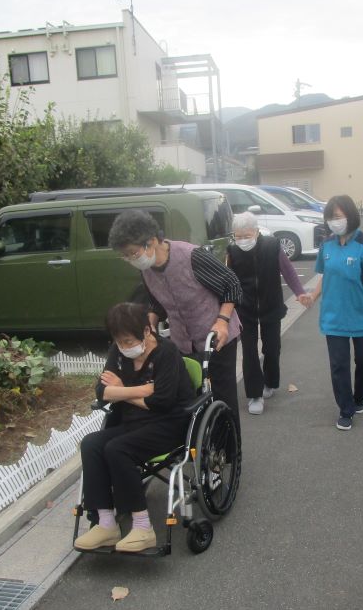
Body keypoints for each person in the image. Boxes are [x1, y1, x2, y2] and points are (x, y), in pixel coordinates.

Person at [108, 210, 242, 435]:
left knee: (221, 393)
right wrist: (149, 323)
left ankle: (229, 448)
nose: (131, 260)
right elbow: (157, 302)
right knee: (190, 395)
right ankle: (200, 446)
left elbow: (232, 285)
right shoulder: (147, 269)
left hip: (216, 336)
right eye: (126, 256)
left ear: (151, 242)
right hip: (182, 341)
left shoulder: (191, 256)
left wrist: (222, 321)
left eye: (133, 253)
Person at [75, 302, 196, 553]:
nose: (125, 347)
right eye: (120, 342)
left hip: (170, 425)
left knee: (117, 449)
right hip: (133, 423)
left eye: (130, 341)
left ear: (146, 331)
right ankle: (106, 524)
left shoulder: (167, 353)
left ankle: (143, 528)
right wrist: (142, 391)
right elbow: (101, 392)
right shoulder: (117, 353)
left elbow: (162, 402)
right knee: (91, 444)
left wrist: (119, 391)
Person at [306, 195, 363, 431]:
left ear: (351, 216)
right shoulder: (327, 246)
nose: (335, 222)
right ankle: (346, 409)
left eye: (339, 217)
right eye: (331, 218)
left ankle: (359, 396)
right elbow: (325, 276)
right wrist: (311, 297)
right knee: (339, 366)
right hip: (333, 317)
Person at [226, 212, 309, 415]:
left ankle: (270, 381)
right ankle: (255, 394)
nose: (242, 240)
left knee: (272, 349)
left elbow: (288, 270)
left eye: (246, 235)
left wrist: (299, 292)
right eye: (238, 236)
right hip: (245, 308)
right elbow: (227, 279)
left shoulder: (272, 246)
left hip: (271, 305)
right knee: (249, 352)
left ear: (256, 231)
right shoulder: (233, 251)